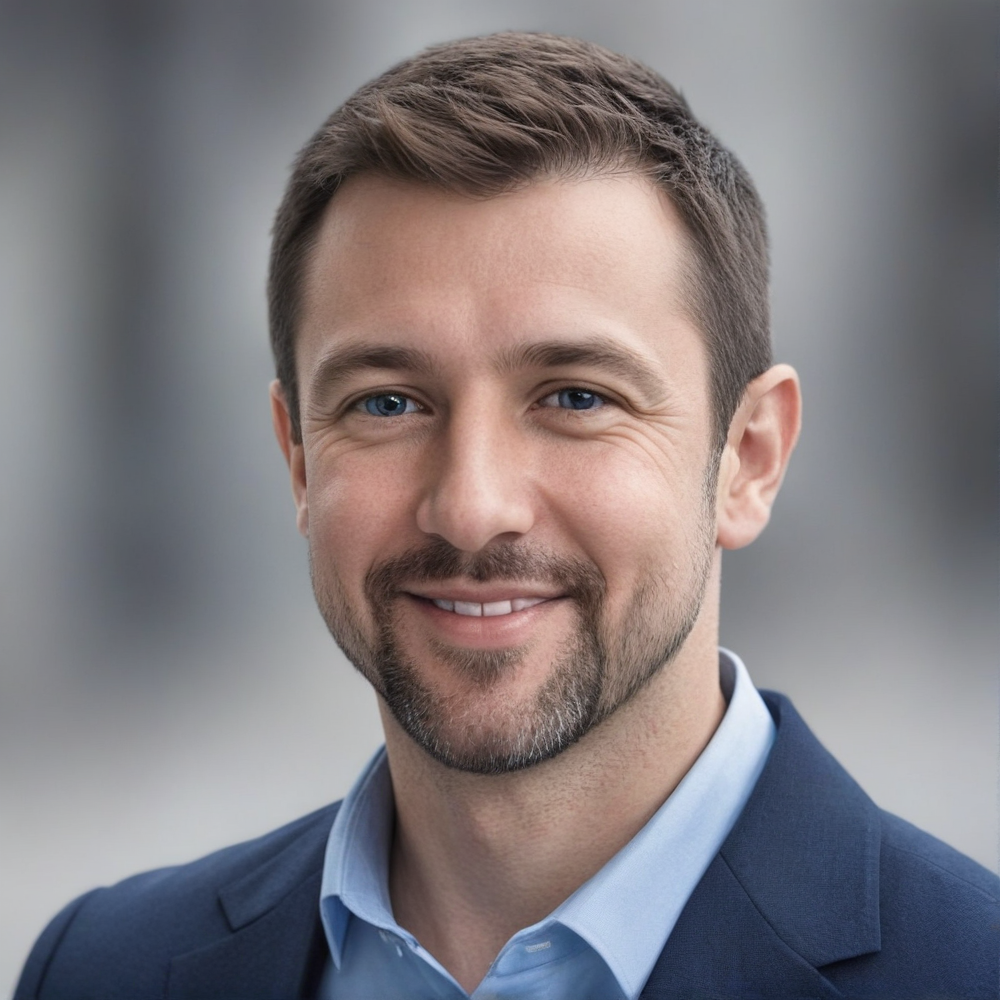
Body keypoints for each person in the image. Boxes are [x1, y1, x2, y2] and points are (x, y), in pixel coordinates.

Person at [15, 32, 998, 1000]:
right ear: (298, 459)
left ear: (747, 457)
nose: (473, 508)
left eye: (575, 397)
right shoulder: (105, 970)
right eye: (388, 402)